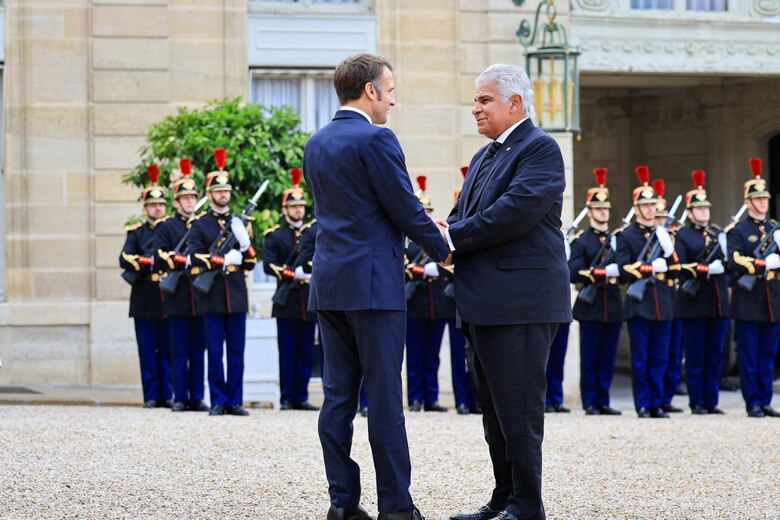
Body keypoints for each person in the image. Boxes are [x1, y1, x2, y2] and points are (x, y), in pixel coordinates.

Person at [303, 53, 449, 520]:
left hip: (329, 284)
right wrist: (446, 247)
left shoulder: (317, 142)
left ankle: (342, 504)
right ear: (370, 91)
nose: (393, 99)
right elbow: (405, 209)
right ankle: (396, 508)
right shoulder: (377, 138)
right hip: (373, 287)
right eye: (390, 89)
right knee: (385, 399)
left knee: (338, 398)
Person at [446, 64, 570, 520]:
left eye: (484, 100)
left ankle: (527, 505)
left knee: (518, 410)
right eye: (475, 100)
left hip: (521, 303)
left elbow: (514, 212)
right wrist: (442, 234)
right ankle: (503, 498)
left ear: (514, 103)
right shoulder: (483, 157)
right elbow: (462, 213)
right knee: (494, 412)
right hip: (482, 302)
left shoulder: (540, 149)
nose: (474, 108)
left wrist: (452, 239)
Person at [189, 148, 257, 417]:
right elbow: (195, 255)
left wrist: (244, 242)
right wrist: (223, 260)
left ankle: (235, 400)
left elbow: (250, 261)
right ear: (209, 194)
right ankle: (218, 399)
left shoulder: (240, 223)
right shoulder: (200, 224)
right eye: (217, 191)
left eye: (226, 190)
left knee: (237, 352)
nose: (223, 194)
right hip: (212, 294)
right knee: (215, 351)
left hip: (237, 294)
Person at [616, 166, 680, 419]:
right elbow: (622, 269)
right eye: (647, 205)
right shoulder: (627, 236)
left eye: (653, 204)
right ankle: (643, 403)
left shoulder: (662, 235)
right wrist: (650, 266)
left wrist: (669, 255)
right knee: (641, 358)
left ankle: (656, 402)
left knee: (660, 357)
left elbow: (675, 269)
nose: (652, 209)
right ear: (637, 207)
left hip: (662, 302)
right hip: (640, 303)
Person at [725, 158, 780, 418]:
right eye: (757, 200)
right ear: (747, 202)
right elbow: (733, 258)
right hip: (749, 298)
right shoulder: (739, 230)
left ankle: (766, 400)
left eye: (765, 199)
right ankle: (752, 402)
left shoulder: (774, 228)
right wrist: (761, 264)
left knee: (768, 354)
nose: (762, 203)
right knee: (749, 354)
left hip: (773, 298)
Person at [155, 159, 209, 412]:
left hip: (199, 294)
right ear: (176, 202)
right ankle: (179, 396)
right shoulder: (168, 227)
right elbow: (159, 255)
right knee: (178, 350)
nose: (189, 202)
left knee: (198, 350)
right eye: (185, 199)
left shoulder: (203, 225)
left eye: (192, 198)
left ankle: (196, 396)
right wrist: (181, 259)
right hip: (177, 295)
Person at [568, 167, 623, 416]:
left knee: (607, 357)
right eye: (599, 209)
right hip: (590, 305)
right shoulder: (582, 241)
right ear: (589, 211)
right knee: (590, 357)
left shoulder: (615, 240)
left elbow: (625, 267)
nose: (603, 212)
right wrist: (600, 273)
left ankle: (603, 399)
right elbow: (573, 271)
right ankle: (590, 401)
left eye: (606, 209)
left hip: (611, 304)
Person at [263, 167, 319, 412]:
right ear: (285, 209)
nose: (298, 210)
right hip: (286, 300)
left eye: (301, 206)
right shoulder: (275, 236)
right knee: (287, 351)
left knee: (306, 350)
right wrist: (290, 273)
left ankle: (302, 396)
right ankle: (287, 397)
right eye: (293, 206)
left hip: (307, 299)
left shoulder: (312, 232)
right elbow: (268, 265)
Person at [674, 170, 730, 415]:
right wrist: (705, 268)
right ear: (689, 212)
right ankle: (697, 401)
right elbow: (681, 266)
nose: (704, 212)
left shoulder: (718, 234)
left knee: (715, 354)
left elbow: (730, 264)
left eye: (706, 208)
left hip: (717, 302)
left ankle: (711, 400)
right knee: (696, 355)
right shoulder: (682, 235)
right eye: (699, 209)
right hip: (694, 302)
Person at [119, 165, 172, 408]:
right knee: (148, 350)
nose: (157, 208)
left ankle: (168, 394)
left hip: (169, 294)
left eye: (160, 204)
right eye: (152, 205)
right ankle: (151, 395)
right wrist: (146, 262)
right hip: (144, 295)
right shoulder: (136, 233)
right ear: (145, 208)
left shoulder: (173, 230)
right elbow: (125, 258)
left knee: (169, 349)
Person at [404, 176, 448, 413]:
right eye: (424, 211)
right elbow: (403, 268)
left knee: (432, 355)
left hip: (437, 303)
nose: (427, 215)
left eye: (429, 211)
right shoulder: (409, 244)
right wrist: (421, 270)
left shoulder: (436, 241)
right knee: (415, 354)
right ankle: (415, 398)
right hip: (415, 303)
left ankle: (431, 398)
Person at [653, 179, 685, 414]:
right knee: (657, 351)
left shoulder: (672, 237)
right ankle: (657, 395)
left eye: (664, 218)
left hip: (674, 296)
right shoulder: (651, 239)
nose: (662, 221)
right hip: (657, 295)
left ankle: (668, 394)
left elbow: (680, 265)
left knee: (673, 349)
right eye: (658, 217)